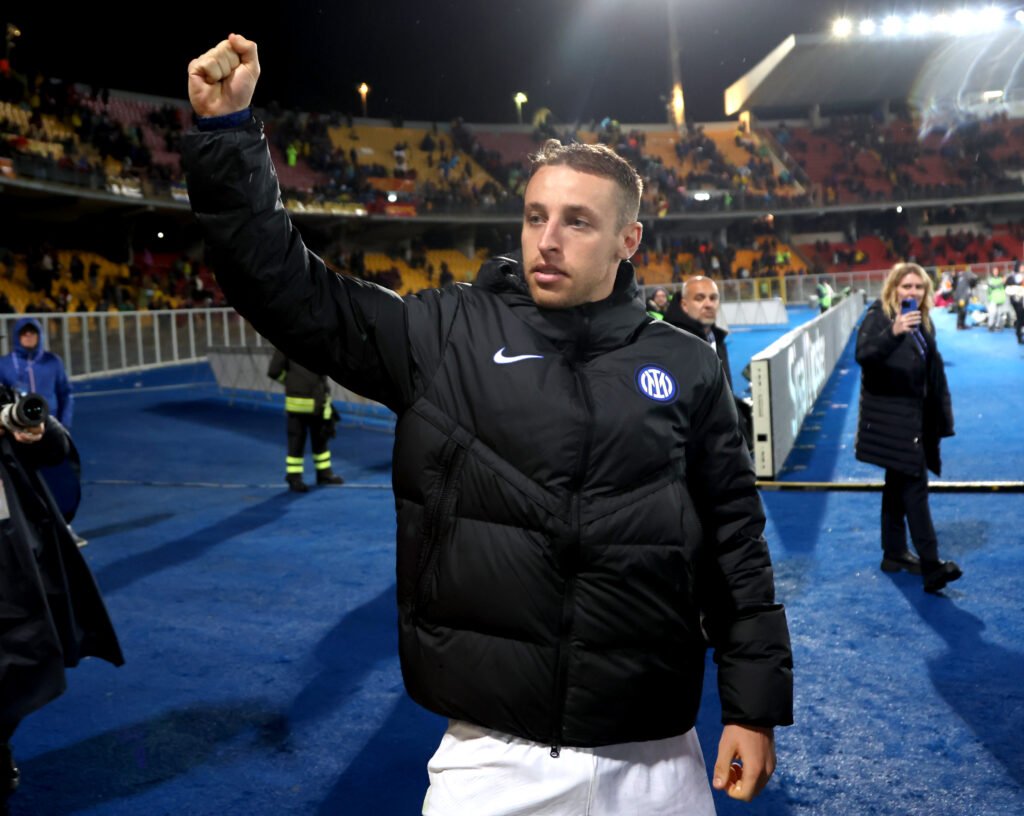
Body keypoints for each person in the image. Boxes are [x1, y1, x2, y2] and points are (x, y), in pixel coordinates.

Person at [184, 34, 793, 814]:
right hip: (493, 761)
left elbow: (735, 544)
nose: (546, 239)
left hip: (657, 758)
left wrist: (751, 705)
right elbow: (286, 291)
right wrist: (228, 138)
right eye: (536, 215)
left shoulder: (687, 365)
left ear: (627, 240)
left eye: (576, 221)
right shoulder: (445, 335)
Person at [0, 383, 124, 814]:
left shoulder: (1, 392)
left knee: (27, 656)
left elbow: (57, 450)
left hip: (13, 556)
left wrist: (36, 430)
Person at [854, 263, 963, 594]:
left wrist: (940, 416)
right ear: (893, 289)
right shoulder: (880, 316)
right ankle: (931, 565)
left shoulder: (923, 323)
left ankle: (893, 553)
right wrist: (894, 332)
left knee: (897, 483)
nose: (912, 292)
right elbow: (864, 355)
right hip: (891, 420)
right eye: (906, 286)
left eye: (918, 287)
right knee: (915, 489)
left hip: (912, 418)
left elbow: (931, 372)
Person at [267, 347, 344, 492]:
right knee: (317, 441)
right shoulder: (316, 342)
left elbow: (274, 371)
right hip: (316, 401)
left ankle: (300, 477)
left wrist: (290, 382)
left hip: (303, 403)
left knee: (300, 442)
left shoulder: (285, 342)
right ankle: (315, 475)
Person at [1008, 261, 1024, 344]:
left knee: (1021, 318)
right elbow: (1011, 287)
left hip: (1020, 299)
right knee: (1020, 318)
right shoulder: (1014, 276)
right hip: (1017, 300)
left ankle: (1019, 334)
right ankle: (1019, 335)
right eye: (1021, 267)